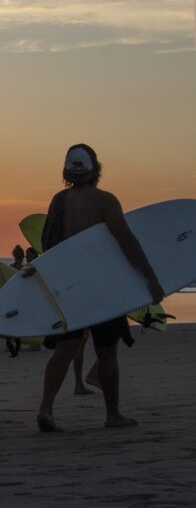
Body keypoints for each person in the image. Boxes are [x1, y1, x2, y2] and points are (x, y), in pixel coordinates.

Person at [36, 144, 163, 432]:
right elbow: (126, 240)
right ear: (97, 169)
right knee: (107, 352)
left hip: (70, 286)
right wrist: (150, 278)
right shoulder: (105, 201)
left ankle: (46, 408)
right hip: (102, 287)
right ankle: (112, 414)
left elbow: (50, 244)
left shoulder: (59, 201)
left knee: (65, 349)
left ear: (67, 171)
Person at [5, 245, 25, 356]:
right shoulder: (24, 268)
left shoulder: (10, 267)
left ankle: (12, 349)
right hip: (18, 299)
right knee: (16, 324)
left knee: (10, 323)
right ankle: (15, 349)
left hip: (11, 298)